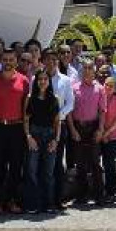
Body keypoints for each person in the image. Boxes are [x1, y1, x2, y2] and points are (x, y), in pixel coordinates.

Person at [0, 49, 29, 215]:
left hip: (16, 128)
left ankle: (12, 200)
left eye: (11, 59)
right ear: (1, 61)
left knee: (16, 166)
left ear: (16, 61)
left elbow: (26, 109)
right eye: (5, 59)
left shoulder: (24, 81)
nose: (8, 62)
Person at [68, 61, 106, 205]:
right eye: (85, 68)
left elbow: (102, 111)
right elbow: (69, 111)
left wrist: (101, 129)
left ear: (94, 71)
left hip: (93, 127)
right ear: (81, 70)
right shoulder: (74, 88)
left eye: (90, 68)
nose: (87, 70)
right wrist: (72, 130)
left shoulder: (100, 88)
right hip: (78, 128)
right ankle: (81, 195)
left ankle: (99, 195)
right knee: (80, 163)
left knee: (96, 163)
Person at [23, 68, 60, 214]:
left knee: (49, 172)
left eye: (45, 79)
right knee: (32, 171)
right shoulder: (30, 97)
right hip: (34, 134)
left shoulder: (54, 98)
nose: (42, 82)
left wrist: (56, 140)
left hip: (50, 135)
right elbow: (26, 120)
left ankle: (49, 203)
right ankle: (34, 204)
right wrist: (28, 137)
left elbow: (58, 122)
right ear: (36, 81)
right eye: (40, 79)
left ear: (49, 81)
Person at [42, 48, 74, 209]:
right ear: (44, 61)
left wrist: (58, 115)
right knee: (43, 163)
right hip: (40, 126)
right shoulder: (38, 78)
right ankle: (44, 199)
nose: (52, 62)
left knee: (56, 163)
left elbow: (70, 103)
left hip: (59, 125)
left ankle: (57, 198)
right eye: (49, 59)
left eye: (55, 59)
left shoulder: (66, 80)